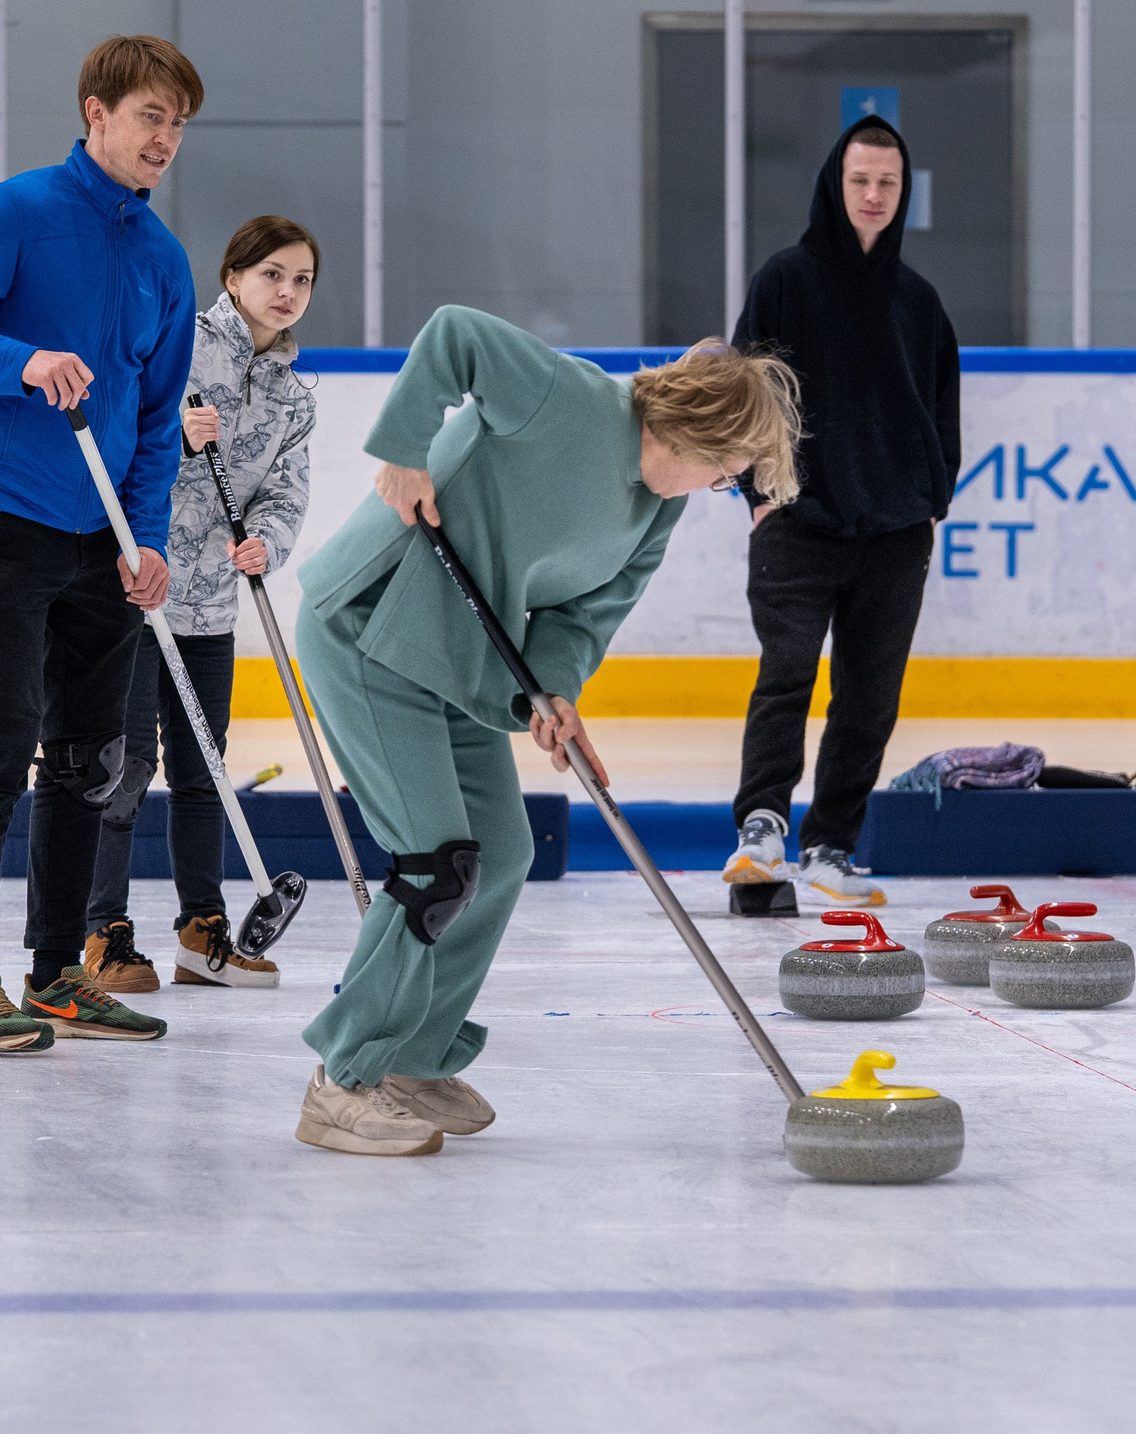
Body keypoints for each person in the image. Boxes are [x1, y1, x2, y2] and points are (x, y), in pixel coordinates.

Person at [290, 307, 801, 1156]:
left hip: (456, 661)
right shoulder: (571, 399)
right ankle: (343, 1077)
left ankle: (411, 1056)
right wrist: (406, 452)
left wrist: (553, 693)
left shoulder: (655, 513)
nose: (721, 488)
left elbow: (580, 617)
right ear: (697, 432)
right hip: (370, 628)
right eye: (727, 472)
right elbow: (454, 335)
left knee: (503, 851)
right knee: (435, 862)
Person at [0, 35, 204, 1053]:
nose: (166, 138)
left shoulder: (162, 258)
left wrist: (143, 540)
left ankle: (59, 970)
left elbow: (155, 425)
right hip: (3, 514)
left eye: (180, 124)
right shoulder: (13, 213)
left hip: (100, 540)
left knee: (87, 759)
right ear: (95, 111)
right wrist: (19, 361)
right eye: (151, 115)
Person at [724, 115, 961, 906]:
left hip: (894, 534)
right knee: (785, 678)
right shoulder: (785, 279)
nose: (872, 195)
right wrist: (760, 496)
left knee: (869, 696)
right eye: (860, 180)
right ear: (836, 182)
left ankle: (832, 846)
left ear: (904, 191)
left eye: (887, 183)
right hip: (797, 520)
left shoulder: (919, 303)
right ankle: (761, 827)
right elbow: (743, 392)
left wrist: (933, 501)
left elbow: (942, 409)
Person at [82, 215, 320, 995]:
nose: (287, 292)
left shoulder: (293, 394)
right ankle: (102, 929)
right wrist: (180, 440)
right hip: (139, 587)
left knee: (204, 768)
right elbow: (118, 433)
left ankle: (201, 927)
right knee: (125, 765)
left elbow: (286, 491)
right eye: (272, 275)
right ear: (233, 279)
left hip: (213, 603)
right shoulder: (181, 345)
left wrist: (269, 545)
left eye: (302, 280)